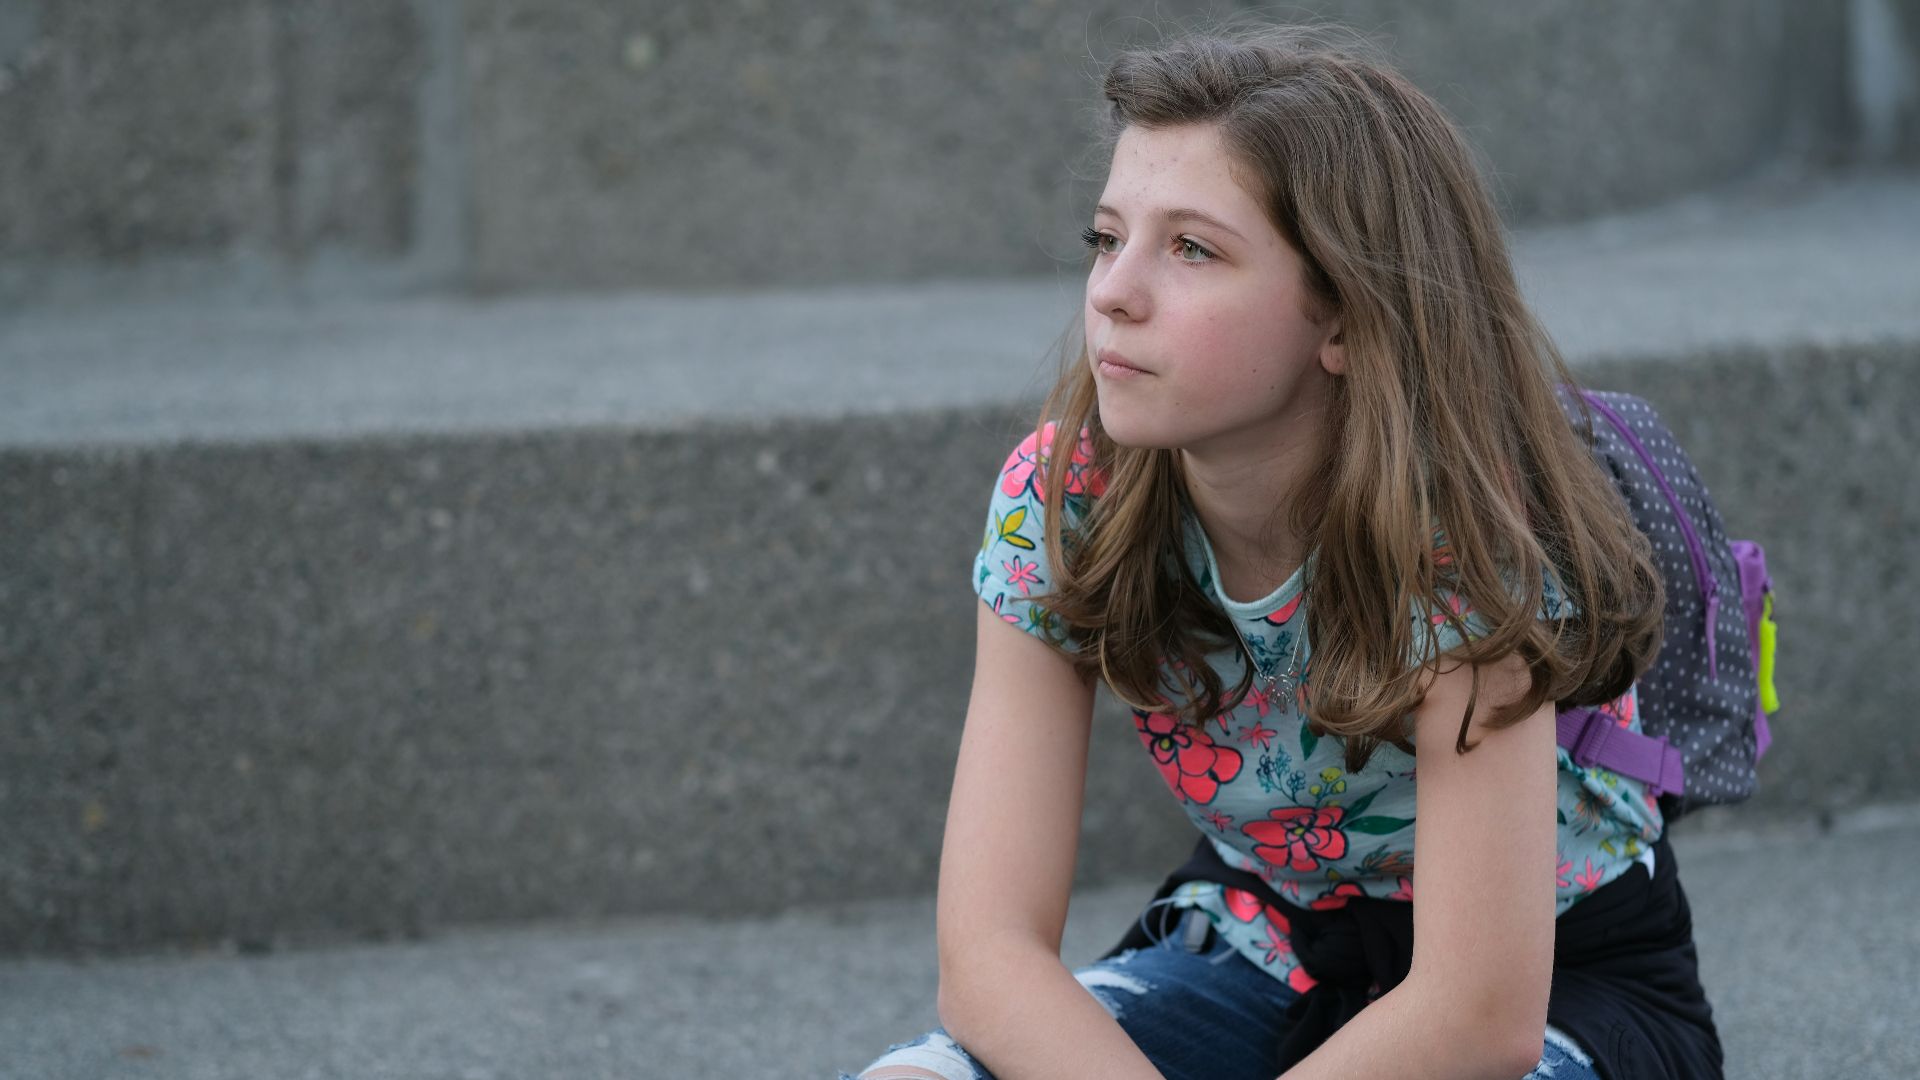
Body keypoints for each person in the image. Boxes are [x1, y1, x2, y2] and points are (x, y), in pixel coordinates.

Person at [843, 19, 1721, 1080]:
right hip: (1267, 944)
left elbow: (1478, 1017)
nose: (1114, 291)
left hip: (1555, 986)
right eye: (1107, 237)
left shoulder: (1467, 534)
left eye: (1193, 249)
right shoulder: (1061, 495)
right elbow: (987, 956)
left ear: (1345, 316)